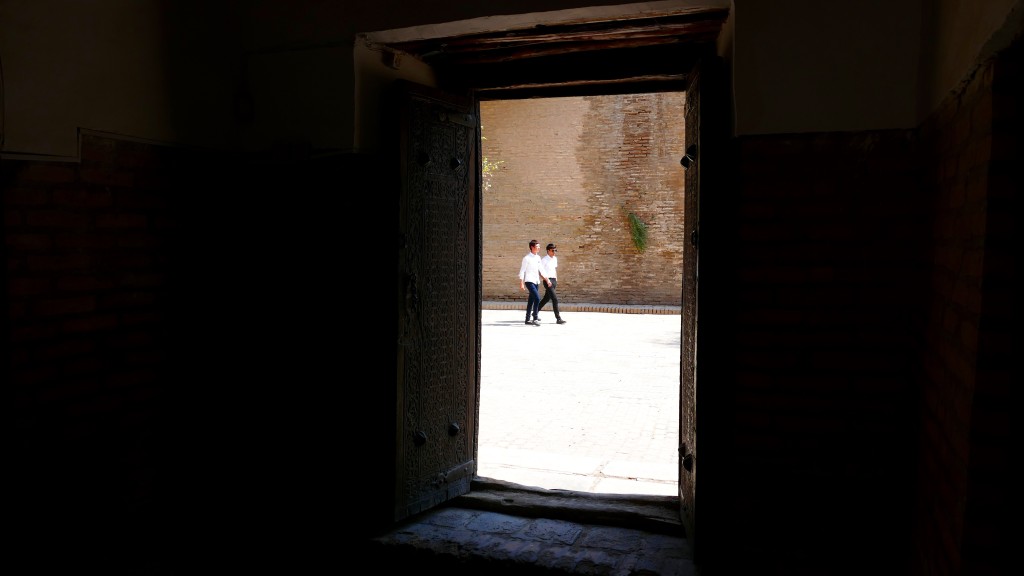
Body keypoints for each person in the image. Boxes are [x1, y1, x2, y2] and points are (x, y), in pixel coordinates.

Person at [518, 239, 546, 326]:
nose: (539, 248)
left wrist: (547, 279)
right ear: (532, 247)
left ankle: (527, 319)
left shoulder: (538, 258)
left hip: (536, 281)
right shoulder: (526, 258)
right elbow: (522, 270)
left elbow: (541, 269)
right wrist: (521, 282)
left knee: (531, 300)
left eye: (539, 247)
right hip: (529, 281)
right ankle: (535, 318)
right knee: (537, 298)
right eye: (537, 247)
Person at [537, 243, 566, 324]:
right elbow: (540, 272)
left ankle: (535, 312)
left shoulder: (555, 259)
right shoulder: (544, 260)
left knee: (546, 299)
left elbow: (554, 269)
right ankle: (558, 318)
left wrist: (556, 279)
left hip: (553, 280)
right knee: (555, 299)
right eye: (553, 251)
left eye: (555, 250)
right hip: (547, 281)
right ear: (548, 251)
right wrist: (546, 280)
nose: (554, 252)